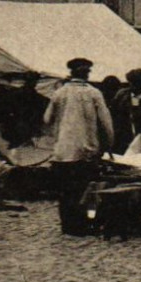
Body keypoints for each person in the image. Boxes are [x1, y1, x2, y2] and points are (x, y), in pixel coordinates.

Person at [44, 57, 114, 235]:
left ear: (71, 73)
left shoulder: (59, 93)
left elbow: (46, 119)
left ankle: (68, 226)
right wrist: (107, 144)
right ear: (87, 73)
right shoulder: (93, 93)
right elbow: (106, 124)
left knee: (65, 190)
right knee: (84, 189)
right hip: (86, 150)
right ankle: (82, 225)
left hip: (62, 151)